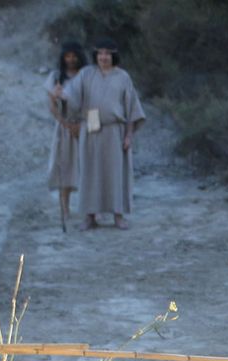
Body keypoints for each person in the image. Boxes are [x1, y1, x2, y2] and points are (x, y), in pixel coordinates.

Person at [59, 39, 145, 230]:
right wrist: (63, 96)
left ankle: (118, 215)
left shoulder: (123, 77)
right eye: (100, 53)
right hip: (91, 127)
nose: (103, 57)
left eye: (107, 53)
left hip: (115, 130)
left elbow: (132, 109)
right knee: (90, 172)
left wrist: (129, 135)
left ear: (113, 55)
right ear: (96, 55)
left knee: (116, 173)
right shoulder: (86, 74)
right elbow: (71, 96)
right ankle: (90, 216)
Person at [45, 41, 87, 232]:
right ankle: (65, 208)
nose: (71, 60)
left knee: (87, 167)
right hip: (64, 127)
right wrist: (67, 125)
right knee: (64, 166)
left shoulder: (86, 75)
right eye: (67, 56)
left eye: (74, 56)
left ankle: (89, 210)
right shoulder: (56, 77)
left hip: (85, 125)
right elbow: (52, 107)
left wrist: (81, 125)